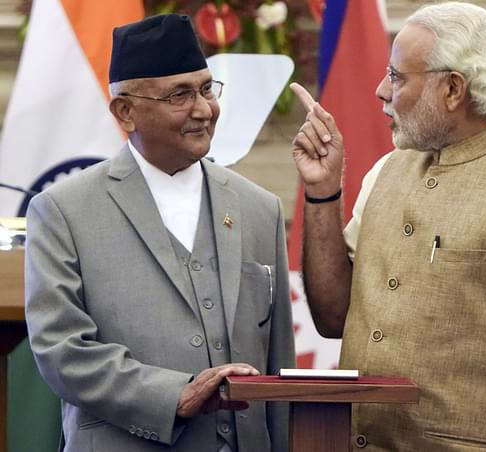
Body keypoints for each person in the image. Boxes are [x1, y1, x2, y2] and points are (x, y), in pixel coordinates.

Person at [291, 2, 486, 451]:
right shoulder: (387, 171)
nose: (381, 90)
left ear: (453, 89)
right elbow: (333, 317)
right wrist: (322, 192)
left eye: (397, 76)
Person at [25, 14, 294, 452]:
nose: (204, 109)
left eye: (207, 88)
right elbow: (62, 350)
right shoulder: (64, 211)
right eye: (179, 95)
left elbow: (278, 361)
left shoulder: (259, 207)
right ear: (125, 111)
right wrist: (174, 395)